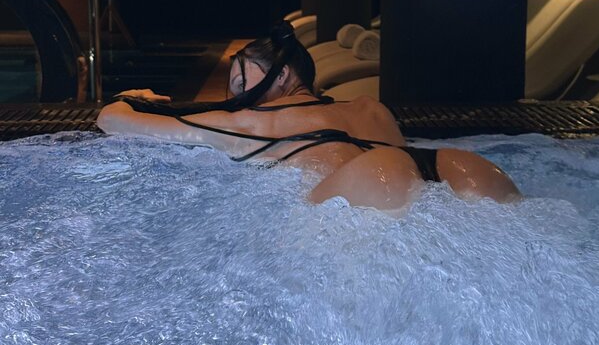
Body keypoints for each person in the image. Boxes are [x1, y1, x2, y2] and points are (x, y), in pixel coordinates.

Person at [96, 22, 521, 213]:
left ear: (282, 75)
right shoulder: (369, 108)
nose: (236, 95)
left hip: (374, 182)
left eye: (242, 81)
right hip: (453, 164)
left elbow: (112, 121)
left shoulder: (251, 123)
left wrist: (131, 97)